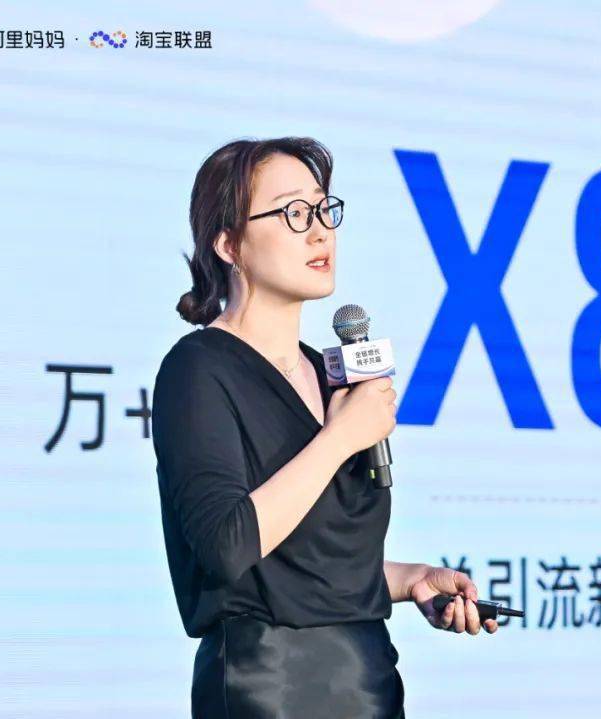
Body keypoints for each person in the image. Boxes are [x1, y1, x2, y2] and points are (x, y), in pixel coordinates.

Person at [151, 137, 498, 718]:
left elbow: (306, 564)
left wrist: (413, 580)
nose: (319, 232)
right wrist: (339, 440)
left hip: (367, 681)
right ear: (229, 244)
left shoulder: (329, 373)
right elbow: (227, 547)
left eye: (323, 209)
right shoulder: (198, 369)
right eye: (293, 213)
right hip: (270, 687)